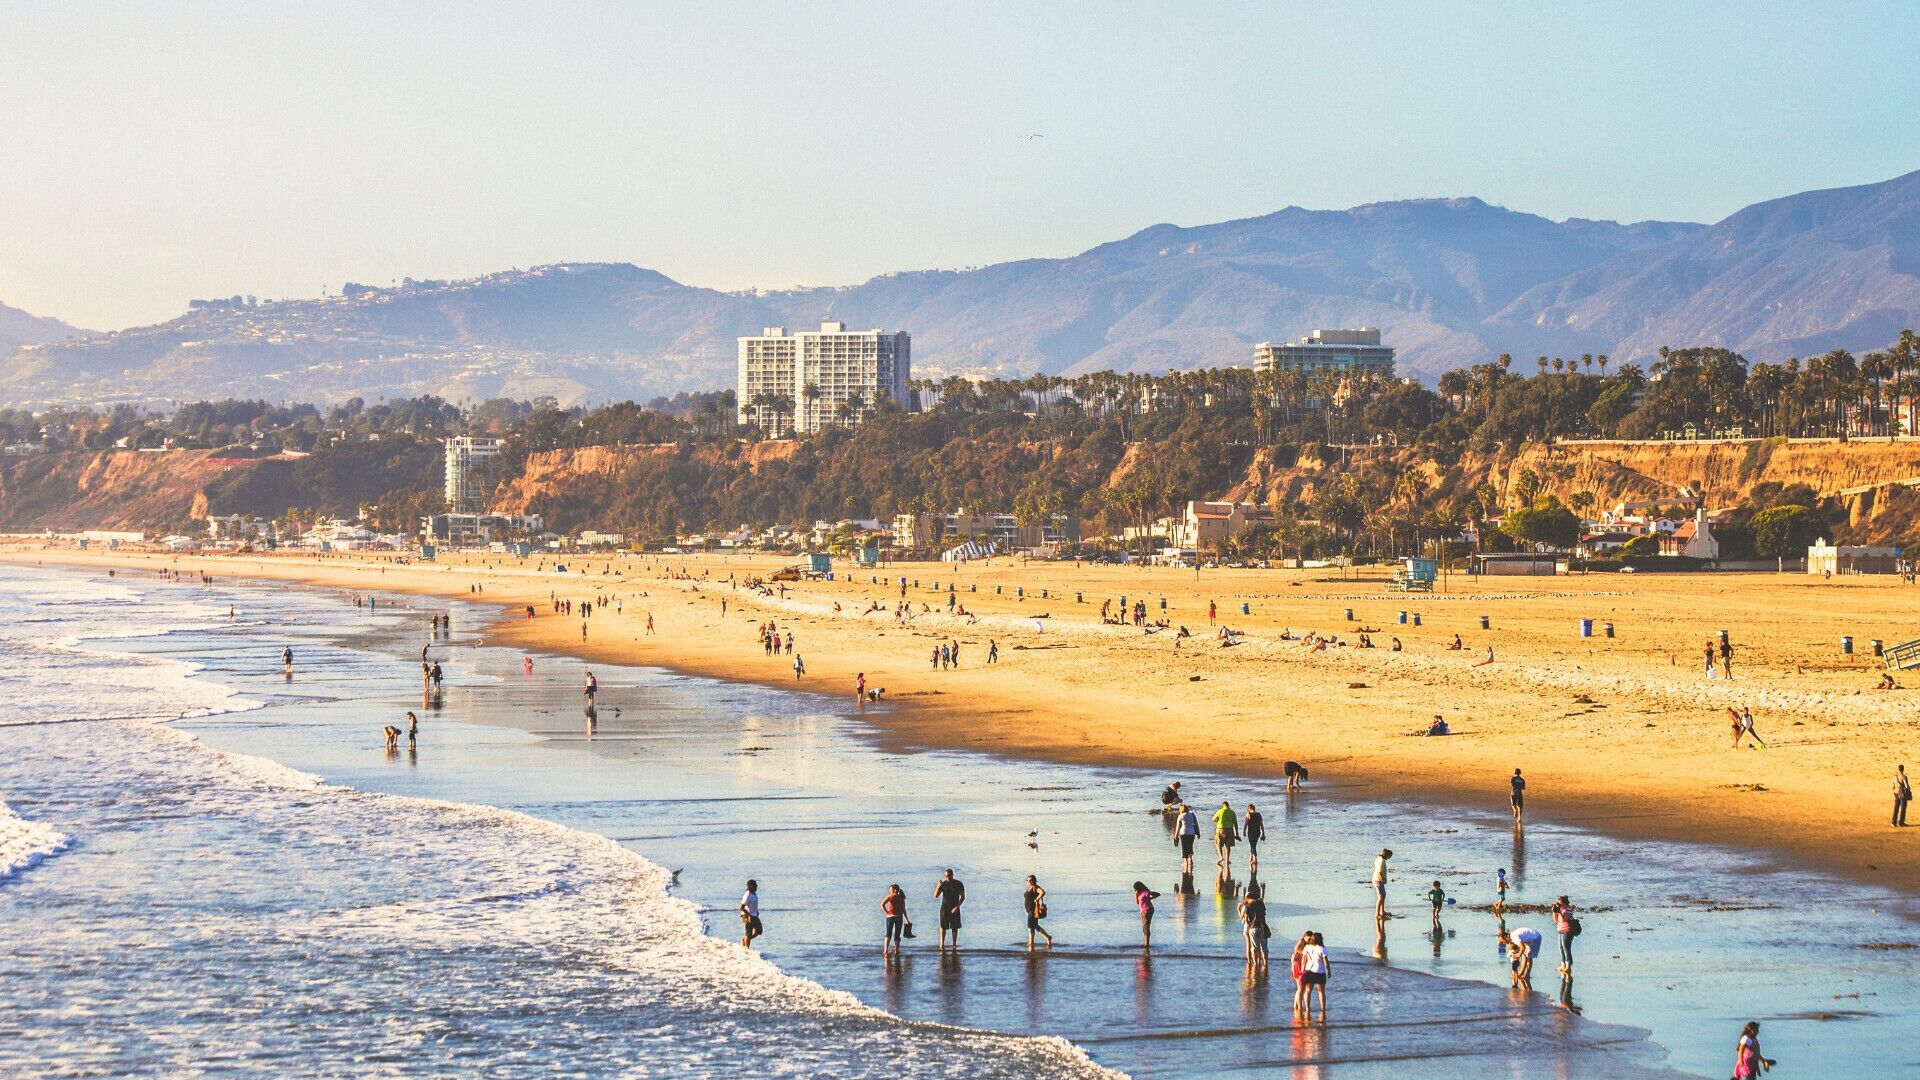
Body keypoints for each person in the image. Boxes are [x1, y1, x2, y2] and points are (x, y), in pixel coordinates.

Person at [1298, 931, 1329, 1018]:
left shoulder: (1307, 947)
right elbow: (1326, 961)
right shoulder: (1322, 949)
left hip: (1309, 971)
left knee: (1308, 991)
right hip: (1320, 971)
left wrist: (1302, 969)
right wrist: (1329, 971)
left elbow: (1304, 959)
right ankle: (1322, 1009)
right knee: (1321, 992)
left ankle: (1307, 1009)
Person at [934, 869, 966, 951]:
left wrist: (957, 907)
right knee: (943, 926)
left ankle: (954, 945)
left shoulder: (958, 884)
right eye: (945, 876)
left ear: (952, 875)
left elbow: (962, 897)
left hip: (955, 907)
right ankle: (942, 944)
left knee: (955, 927)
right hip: (945, 907)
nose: (947, 878)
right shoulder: (943, 884)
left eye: (949, 876)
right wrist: (938, 886)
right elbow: (935, 896)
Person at [1238, 888, 1269, 965]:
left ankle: (1256, 964)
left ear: (1247, 898)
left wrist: (1238, 909)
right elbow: (1264, 914)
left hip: (1253, 928)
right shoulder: (1261, 903)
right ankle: (1265, 963)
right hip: (1263, 927)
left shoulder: (1247, 906)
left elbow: (1246, 920)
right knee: (1264, 948)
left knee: (1254, 948)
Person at [1023, 875, 1053, 950]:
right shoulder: (1029, 888)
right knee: (1034, 925)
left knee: (1030, 926)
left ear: (1033, 881)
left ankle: (1031, 942)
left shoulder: (1035, 887)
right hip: (1029, 910)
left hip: (1033, 909)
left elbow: (1043, 892)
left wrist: (1037, 899)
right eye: (1027, 880)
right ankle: (1048, 937)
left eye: (1030, 880)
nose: (1028, 881)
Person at [1550, 895, 1578, 974]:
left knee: (1566, 949)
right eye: (1557, 904)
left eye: (1559, 904)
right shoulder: (1560, 910)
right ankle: (1563, 965)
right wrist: (1554, 912)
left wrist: (1559, 912)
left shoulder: (1567, 909)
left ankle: (1568, 967)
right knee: (1561, 949)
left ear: (1564, 903)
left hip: (1567, 931)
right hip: (1560, 931)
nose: (1558, 905)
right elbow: (1556, 920)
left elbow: (1563, 920)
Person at [881, 884, 908, 953]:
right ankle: (896, 950)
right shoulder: (902, 897)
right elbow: (903, 909)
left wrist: (886, 912)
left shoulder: (890, 896)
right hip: (899, 917)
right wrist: (907, 919)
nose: (889, 891)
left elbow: (882, 904)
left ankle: (885, 950)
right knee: (897, 935)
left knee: (888, 934)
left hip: (890, 917)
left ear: (894, 890)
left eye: (890, 889)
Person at [1133, 881, 1160, 951]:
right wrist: (1136, 895)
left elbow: (1158, 894)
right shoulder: (1139, 893)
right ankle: (1145, 944)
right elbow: (1138, 903)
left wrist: (1150, 898)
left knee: (1146, 927)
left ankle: (1147, 945)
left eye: (1136, 889)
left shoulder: (1145, 892)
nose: (1135, 890)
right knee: (1144, 927)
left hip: (1148, 910)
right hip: (1143, 911)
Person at [1174, 803, 1200, 873]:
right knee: (1190, 846)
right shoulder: (1192, 814)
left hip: (1183, 833)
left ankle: (1186, 862)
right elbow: (1196, 824)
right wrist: (1199, 833)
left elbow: (1178, 827)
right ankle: (1191, 860)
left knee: (1184, 847)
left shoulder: (1180, 816)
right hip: (1192, 833)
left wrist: (1175, 836)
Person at [1212, 800, 1239, 866]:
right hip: (1230, 829)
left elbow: (1213, 819)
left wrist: (1218, 822)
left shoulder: (1219, 811)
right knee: (1228, 845)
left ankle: (1221, 857)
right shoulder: (1232, 812)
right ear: (1228, 805)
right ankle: (1227, 860)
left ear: (1223, 805)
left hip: (1220, 829)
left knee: (1218, 844)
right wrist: (1237, 833)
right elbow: (1235, 823)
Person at [739, 880, 763, 949]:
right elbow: (741, 907)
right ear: (751, 886)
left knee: (759, 931)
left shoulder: (754, 893)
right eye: (755, 885)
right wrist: (748, 915)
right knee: (749, 933)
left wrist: (756, 911)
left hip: (754, 915)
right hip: (746, 915)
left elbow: (753, 904)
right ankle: (746, 950)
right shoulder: (747, 895)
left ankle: (745, 939)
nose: (757, 886)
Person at [1243, 803, 1265, 867]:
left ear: (1249, 809)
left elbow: (1246, 824)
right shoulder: (1259, 814)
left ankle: (1255, 859)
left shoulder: (1248, 814)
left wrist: (1244, 831)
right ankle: (1251, 857)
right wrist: (1263, 833)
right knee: (1253, 844)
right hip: (1258, 831)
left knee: (1252, 845)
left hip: (1251, 832)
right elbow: (1261, 824)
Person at [1372, 849, 1391, 919]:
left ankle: (1382, 911)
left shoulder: (1378, 858)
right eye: (1389, 857)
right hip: (1378, 880)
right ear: (1386, 855)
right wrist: (1383, 878)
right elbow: (1380, 870)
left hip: (1377, 879)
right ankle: (1377, 914)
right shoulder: (1382, 860)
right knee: (1380, 897)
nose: (1389, 858)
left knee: (1383, 896)